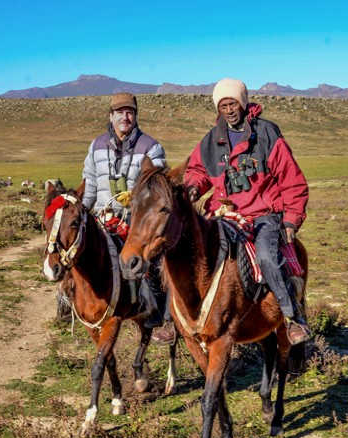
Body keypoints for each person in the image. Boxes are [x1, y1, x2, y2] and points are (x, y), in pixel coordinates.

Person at [184, 78, 311, 345]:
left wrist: (291, 220)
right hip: (222, 214)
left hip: (261, 215)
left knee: (266, 256)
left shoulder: (266, 134)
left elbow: (292, 179)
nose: (229, 110)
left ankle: (292, 317)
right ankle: (178, 322)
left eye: (233, 103)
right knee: (187, 254)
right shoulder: (210, 141)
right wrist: (193, 188)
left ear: (243, 103)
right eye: (223, 105)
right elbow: (197, 172)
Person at [81, 92, 174, 344]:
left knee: (154, 263)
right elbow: (89, 188)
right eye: (120, 112)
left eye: (130, 112)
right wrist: (81, 215)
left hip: (137, 223)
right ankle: (76, 305)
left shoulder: (151, 147)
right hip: (102, 220)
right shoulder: (96, 146)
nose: (125, 116)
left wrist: (133, 200)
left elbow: (157, 189)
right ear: (110, 116)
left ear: (135, 116)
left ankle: (161, 318)